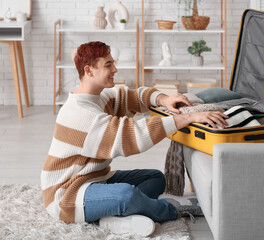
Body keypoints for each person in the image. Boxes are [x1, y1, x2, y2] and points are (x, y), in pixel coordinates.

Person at [41, 41, 227, 237]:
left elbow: (133, 96)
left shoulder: (98, 97)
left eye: (113, 63)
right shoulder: (78, 114)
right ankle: (172, 210)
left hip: (94, 179)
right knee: (127, 195)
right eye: (108, 65)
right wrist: (186, 118)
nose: (115, 69)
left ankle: (111, 217)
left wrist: (164, 99)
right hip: (68, 194)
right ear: (89, 70)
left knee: (155, 178)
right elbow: (129, 135)